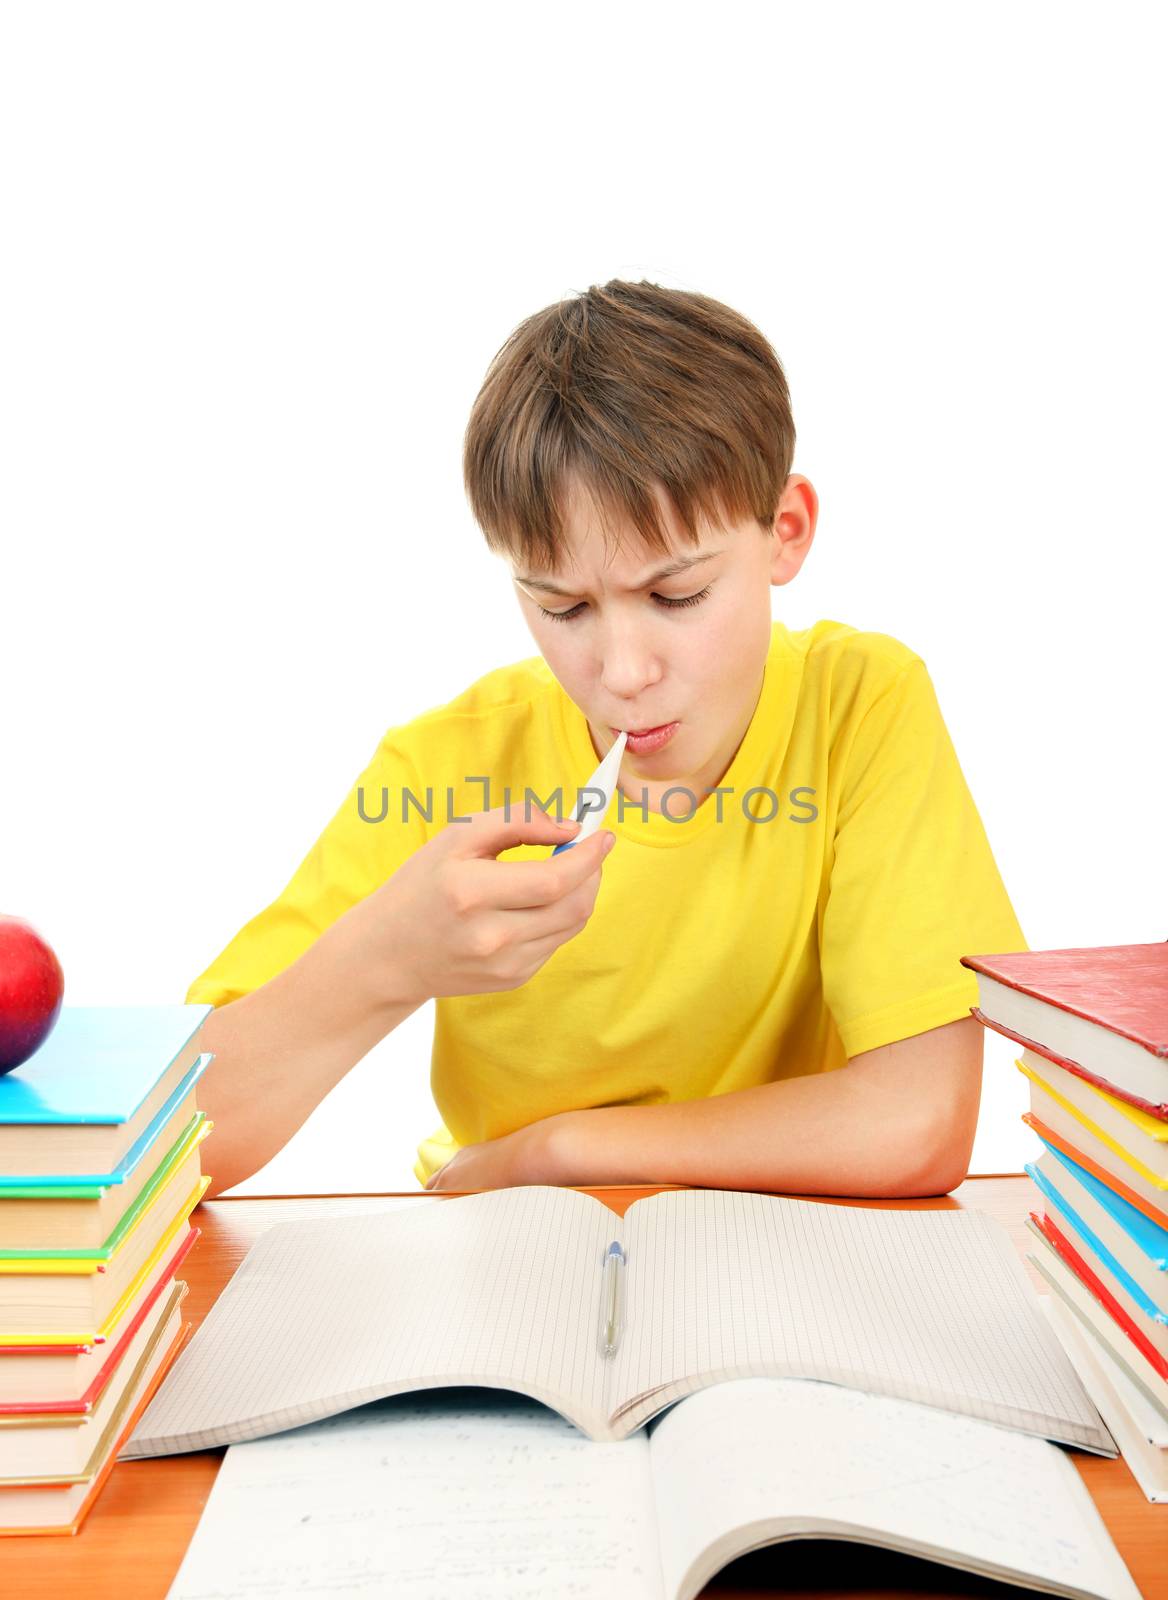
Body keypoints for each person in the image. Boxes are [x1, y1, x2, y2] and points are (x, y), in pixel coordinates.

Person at [188, 279, 1027, 1200]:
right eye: (564, 607)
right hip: (505, 1253)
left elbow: (918, 1122)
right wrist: (389, 958)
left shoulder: (861, 705)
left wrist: (561, 1151)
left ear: (785, 532)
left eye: (677, 597)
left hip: (770, 1263)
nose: (623, 671)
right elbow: (178, 1145)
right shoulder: (447, 766)